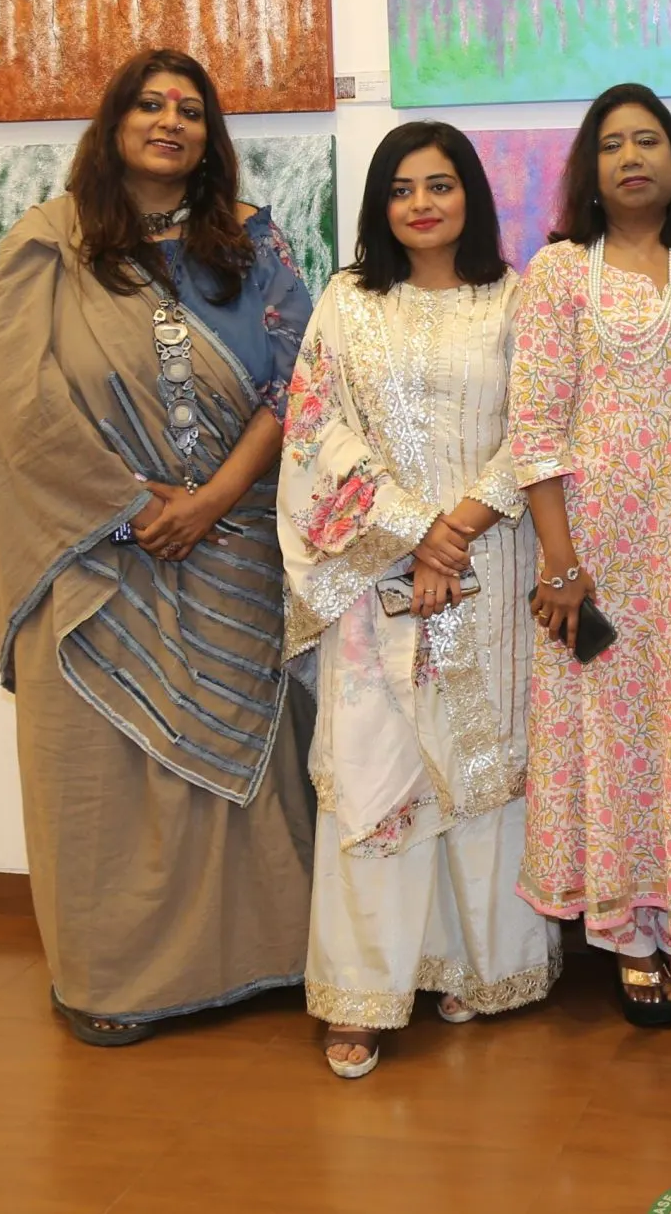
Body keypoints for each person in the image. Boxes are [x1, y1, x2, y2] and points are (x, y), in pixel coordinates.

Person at [0, 47, 317, 1046]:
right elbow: (21, 407)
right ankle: (117, 981)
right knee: (106, 774)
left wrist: (206, 503)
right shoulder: (48, 245)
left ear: (210, 138)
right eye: (150, 105)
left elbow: (294, 384)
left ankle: (264, 957)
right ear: (114, 123)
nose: (171, 121)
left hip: (234, 535)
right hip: (95, 552)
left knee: (252, 755)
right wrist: (130, 507)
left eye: (191, 111)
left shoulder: (253, 244)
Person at [277, 122, 561, 1078]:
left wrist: (463, 527)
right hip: (375, 576)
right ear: (380, 206)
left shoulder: (514, 300)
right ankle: (362, 990)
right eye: (402, 188)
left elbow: (543, 424)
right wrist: (414, 531)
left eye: (441, 184)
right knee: (376, 774)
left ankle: (475, 965)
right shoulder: (347, 303)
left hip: (490, 568)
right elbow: (315, 429)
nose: (423, 203)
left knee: (478, 763)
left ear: (471, 194)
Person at [508, 84, 671, 1025]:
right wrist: (560, 563)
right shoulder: (562, 273)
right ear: (591, 171)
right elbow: (534, 425)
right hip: (598, 550)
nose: (632, 156)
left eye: (650, 141)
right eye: (612, 144)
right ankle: (629, 937)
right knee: (610, 739)